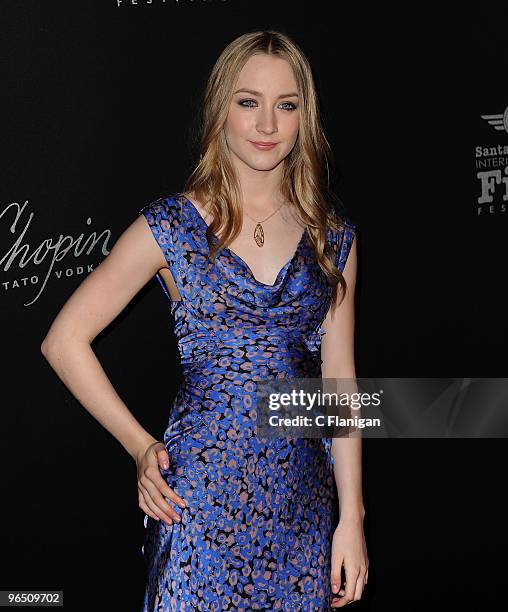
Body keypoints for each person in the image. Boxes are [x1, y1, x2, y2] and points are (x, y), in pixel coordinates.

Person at [41, 29, 368, 610]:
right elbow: (64, 341)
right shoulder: (170, 226)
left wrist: (352, 518)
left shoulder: (332, 237)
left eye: (285, 105)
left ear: (303, 117)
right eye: (249, 102)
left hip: (304, 511)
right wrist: (141, 446)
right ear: (222, 109)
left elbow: (338, 386)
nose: (267, 124)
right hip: (199, 506)